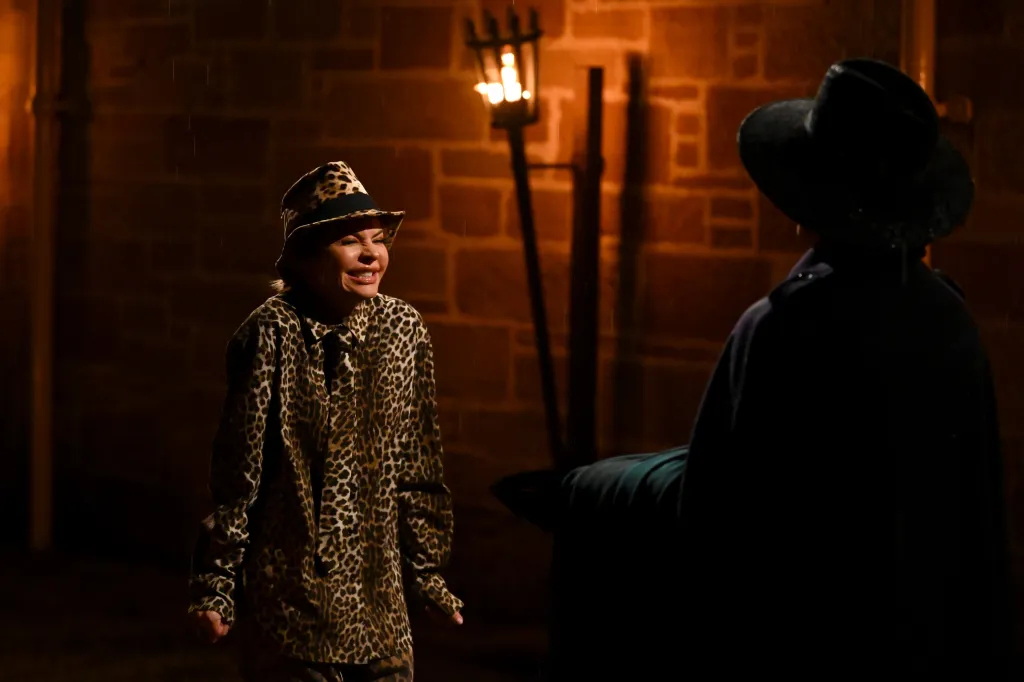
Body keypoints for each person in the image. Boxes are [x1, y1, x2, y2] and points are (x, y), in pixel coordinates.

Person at [679, 59, 1013, 678]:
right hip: (926, 646)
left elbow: (717, 521)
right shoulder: (952, 324)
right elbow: (977, 528)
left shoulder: (780, 327)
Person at [187, 161, 463, 682]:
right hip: (292, 608)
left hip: (380, 611)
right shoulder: (270, 333)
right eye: (350, 241)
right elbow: (238, 475)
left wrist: (426, 576)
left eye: (377, 240)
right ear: (307, 258)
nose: (370, 255)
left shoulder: (404, 330)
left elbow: (419, 464)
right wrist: (216, 585)